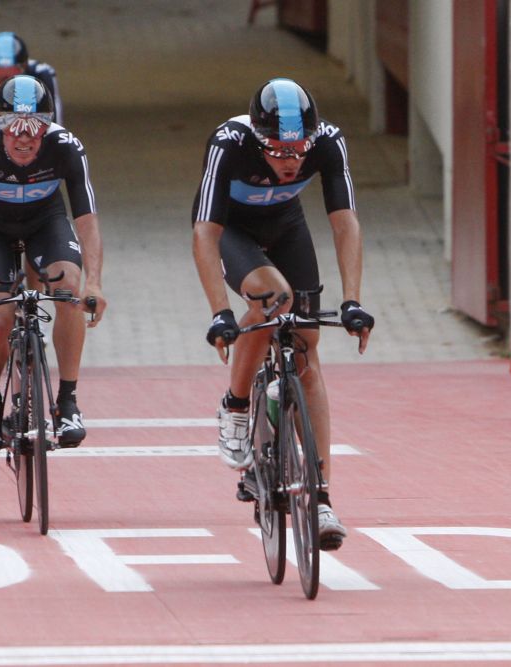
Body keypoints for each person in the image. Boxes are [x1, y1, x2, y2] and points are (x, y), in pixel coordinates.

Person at [192, 77, 375, 549]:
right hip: (231, 230)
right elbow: (205, 236)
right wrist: (219, 312)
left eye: (298, 152)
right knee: (274, 297)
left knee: (308, 354)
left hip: (286, 226)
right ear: (257, 138)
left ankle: (321, 497)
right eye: (276, 151)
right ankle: (235, 405)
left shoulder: (328, 143)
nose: (290, 162)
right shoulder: (229, 142)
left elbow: (344, 221)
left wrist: (353, 299)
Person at [0, 75, 106, 454]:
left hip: (45, 222)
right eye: (13, 130)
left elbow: (87, 220)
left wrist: (95, 283)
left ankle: (68, 402)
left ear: (47, 128)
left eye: (34, 131)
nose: (24, 140)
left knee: (69, 290)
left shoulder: (67, 147)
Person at [0, 32, 63, 127]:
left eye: (11, 80)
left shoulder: (42, 73)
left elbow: (55, 120)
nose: (6, 86)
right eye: (0, 79)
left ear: (24, 68)